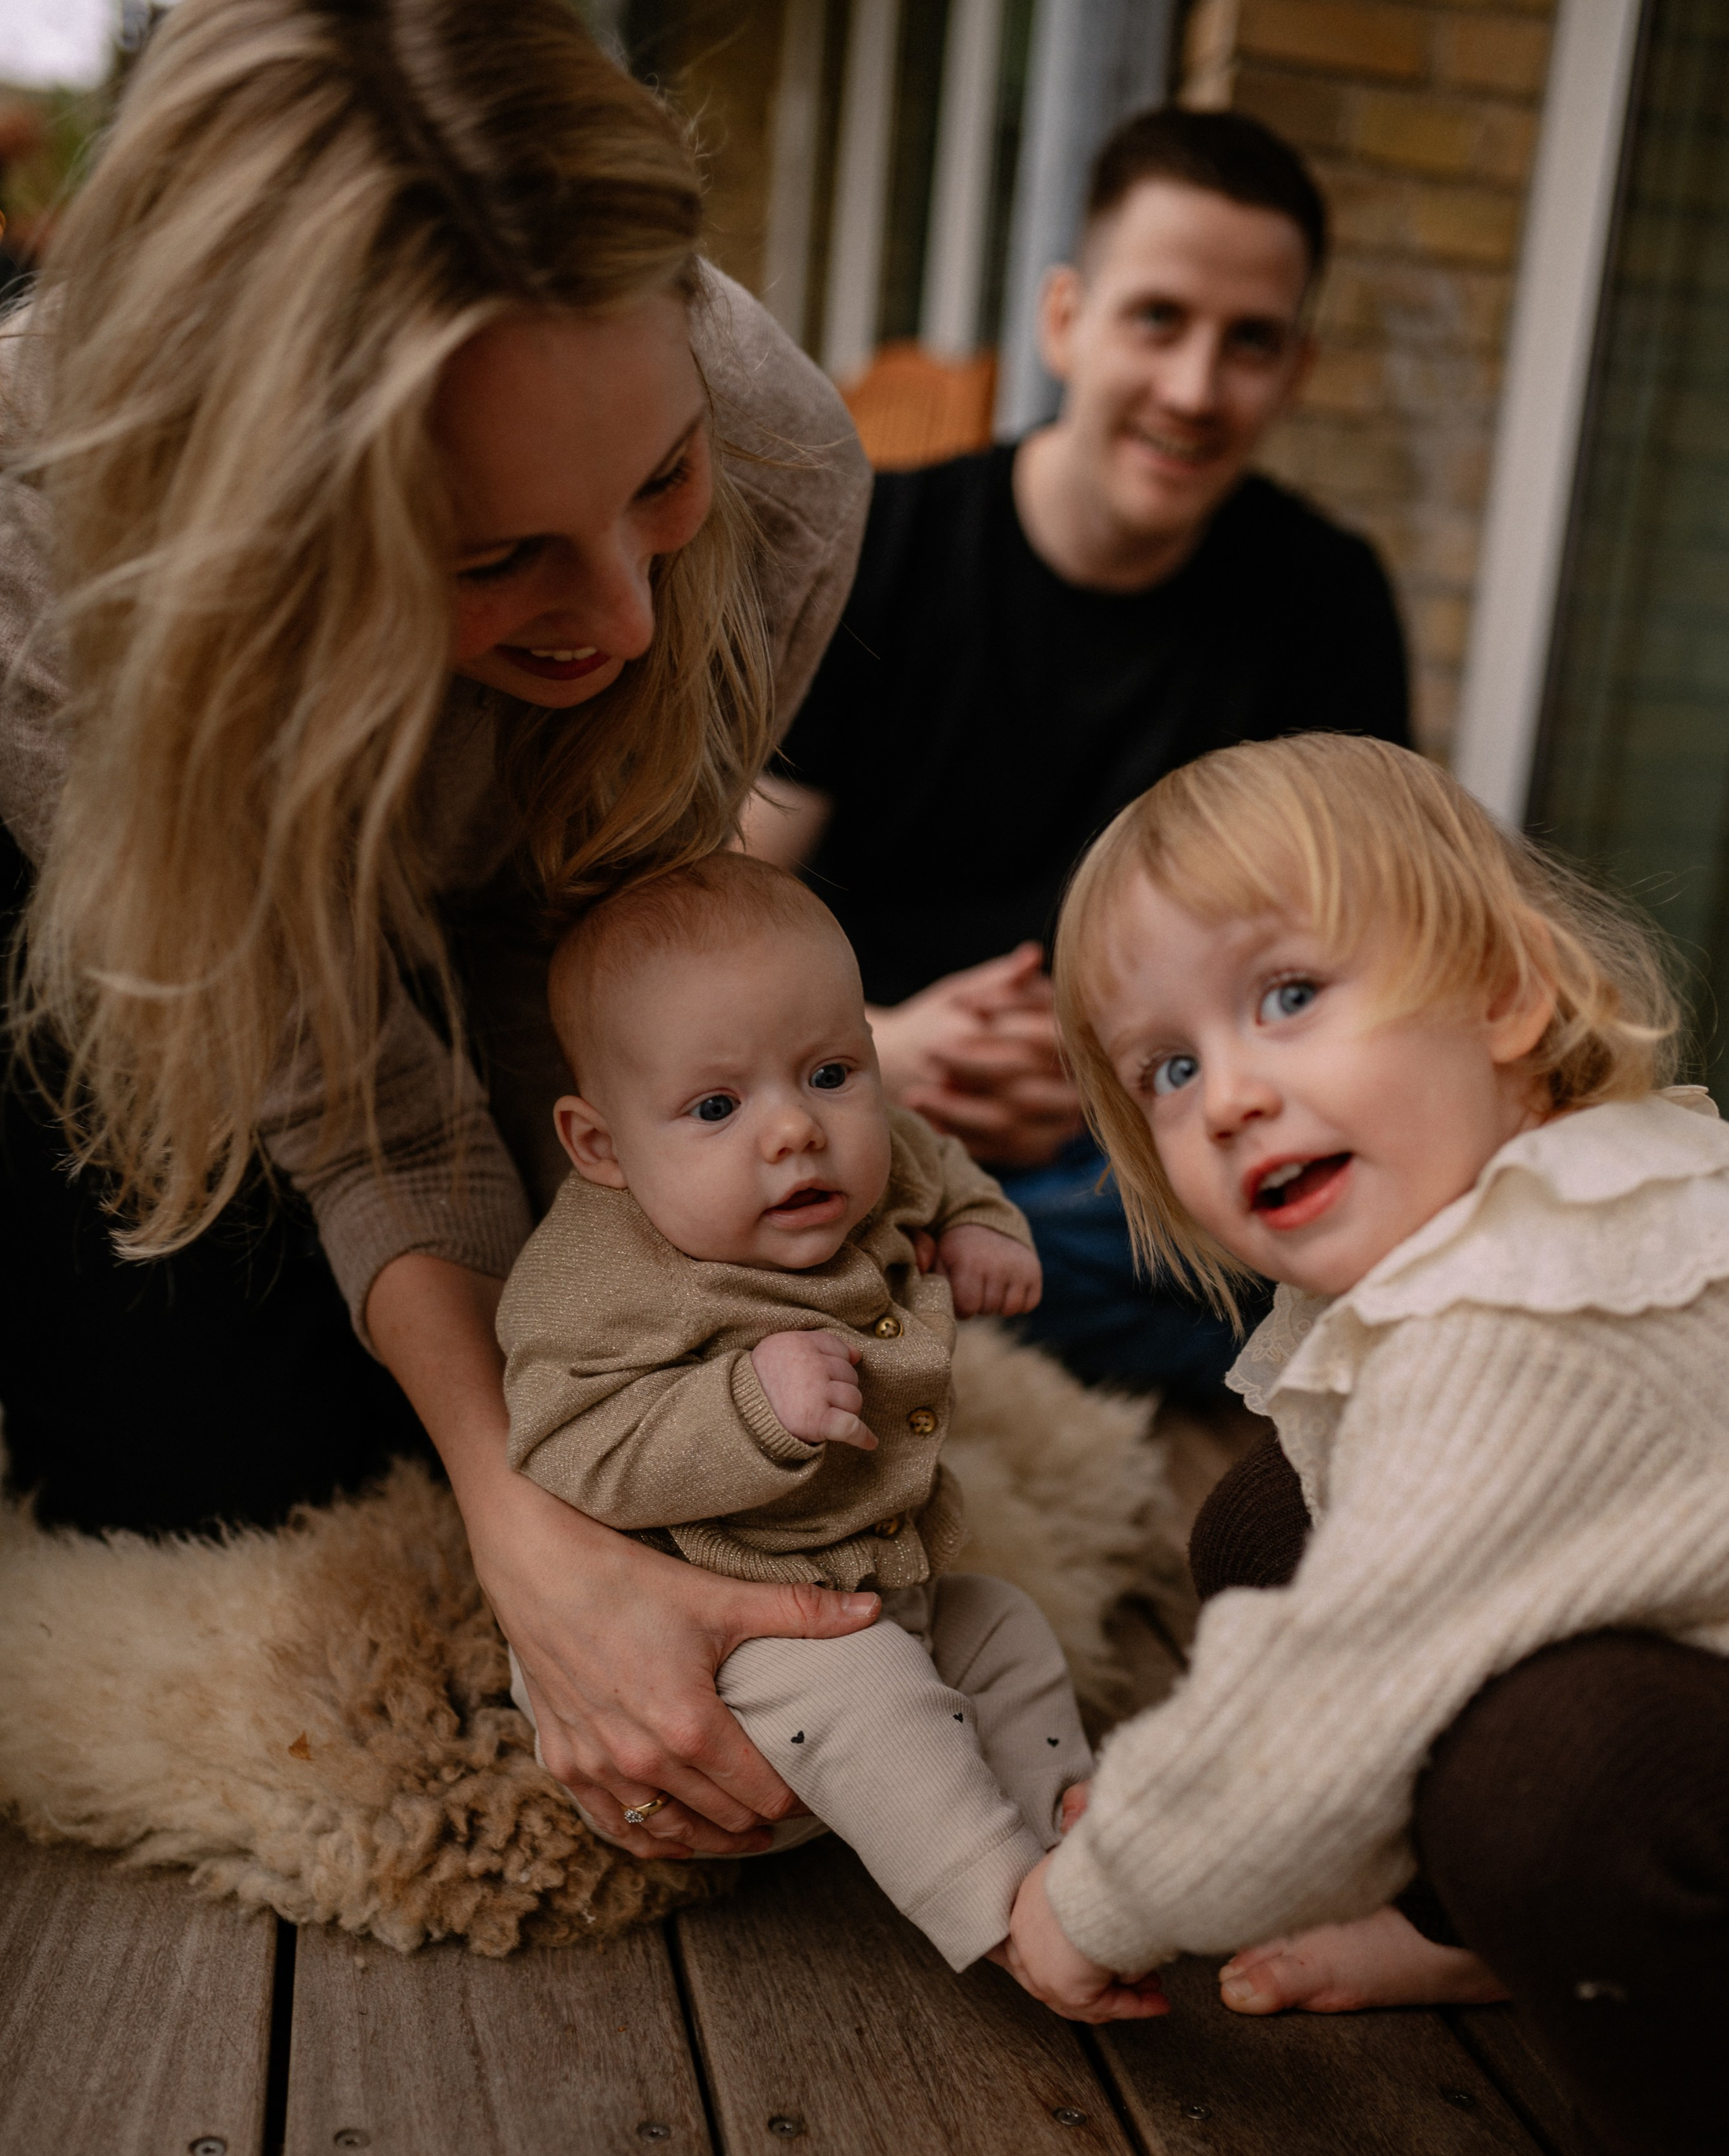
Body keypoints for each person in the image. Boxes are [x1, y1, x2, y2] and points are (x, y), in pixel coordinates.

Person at [0, 0, 882, 1866]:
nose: (626, 618)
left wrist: (615, 1417)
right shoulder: (45, 565)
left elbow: (591, 968)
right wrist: (524, 1524)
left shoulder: (783, 460)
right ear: (264, 546)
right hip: (129, 906)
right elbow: (362, 1105)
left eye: (656, 483)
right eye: (494, 556)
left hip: (479, 919)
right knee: (213, 1466)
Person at [996, 733, 1729, 2156]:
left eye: (1285, 996)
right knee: (1278, 1513)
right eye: (1164, 1068)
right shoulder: (1533, 1207)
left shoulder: (1522, 1326)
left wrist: (1095, 1898)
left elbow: (1325, 1701)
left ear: (1503, 996)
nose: (1227, 1092)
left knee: (1553, 1766)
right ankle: (1475, 1929)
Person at [744, 106, 1410, 1401]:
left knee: (1344, 1223)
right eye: (1158, 318)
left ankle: (904, 1295)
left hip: (1153, 1137)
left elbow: (1357, 970)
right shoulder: (878, 547)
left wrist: (1137, 1083)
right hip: (859, 1101)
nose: (1195, 389)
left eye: (1251, 342)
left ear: (1298, 370)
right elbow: (714, 900)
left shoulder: (1326, 602)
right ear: (1065, 319)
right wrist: (873, 1055)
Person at [496, 852, 1093, 1968]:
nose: (794, 1131)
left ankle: (1070, 1828)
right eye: (718, 1107)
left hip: (886, 1598)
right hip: (714, 1659)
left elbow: (937, 1162)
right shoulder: (594, 1279)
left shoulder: (876, 1156)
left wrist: (982, 1230)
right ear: (600, 1146)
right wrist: (746, 1409)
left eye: (829, 1074)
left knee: (1004, 1628)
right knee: (873, 1690)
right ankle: (1008, 1913)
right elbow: (565, 1445)